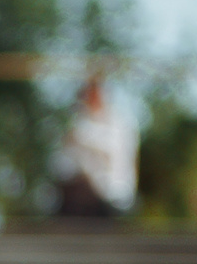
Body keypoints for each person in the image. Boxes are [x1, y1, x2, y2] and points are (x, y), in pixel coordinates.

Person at [52, 73, 137, 219]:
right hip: (84, 200)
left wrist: (81, 134)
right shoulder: (80, 124)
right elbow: (64, 163)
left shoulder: (119, 123)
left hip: (113, 200)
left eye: (93, 93)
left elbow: (114, 151)